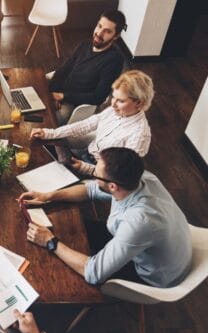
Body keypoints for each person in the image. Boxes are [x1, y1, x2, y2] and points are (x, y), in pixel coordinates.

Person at [18, 147, 192, 288]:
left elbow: (93, 273)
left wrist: (51, 242)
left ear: (113, 186)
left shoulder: (138, 222)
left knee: (61, 267)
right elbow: (91, 189)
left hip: (154, 275)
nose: (93, 174)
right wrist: (49, 196)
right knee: (68, 229)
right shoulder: (140, 177)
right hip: (159, 244)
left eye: (96, 174)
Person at [32, 69, 153, 175]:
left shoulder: (139, 135)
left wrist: (87, 169)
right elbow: (85, 125)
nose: (113, 104)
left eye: (120, 101)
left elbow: (121, 173)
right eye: (113, 97)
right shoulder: (115, 111)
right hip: (84, 154)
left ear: (139, 103)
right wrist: (49, 133)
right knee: (41, 154)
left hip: (97, 172)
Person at [48, 9, 127, 125]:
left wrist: (63, 96)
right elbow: (63, 71)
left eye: (107, 31)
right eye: (99, 26)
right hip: (60, 93)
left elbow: (98, 97)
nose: (99, 33)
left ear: (116, 36)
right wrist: (53, 92)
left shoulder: (114, 60)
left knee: (49, 121)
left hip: (75, 104)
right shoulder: (84, 45)